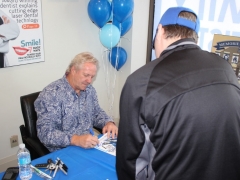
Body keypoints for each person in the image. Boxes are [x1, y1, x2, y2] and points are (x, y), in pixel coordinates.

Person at [116, 7, 240, 180]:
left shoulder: (140, 81)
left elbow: (131, 162)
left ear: (159, 31)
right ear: (195, 37)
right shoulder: (225, 69)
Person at [34, 52, 118, 152]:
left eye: (92, 77)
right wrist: (76, 140)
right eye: (86, 75)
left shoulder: (89, 90)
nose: (89, 81)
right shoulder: (51, 94)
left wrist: (108, 122)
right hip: (63, 151)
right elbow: (45, 133)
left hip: (89, 145)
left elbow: (96, 112)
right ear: (73, 70)